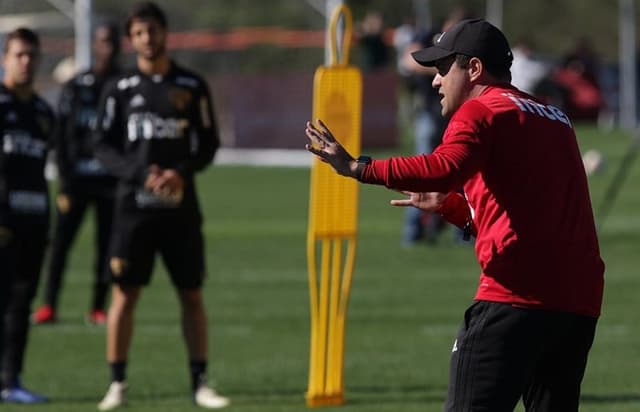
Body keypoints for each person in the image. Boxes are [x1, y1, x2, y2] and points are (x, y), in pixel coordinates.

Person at [305, 19, 604, 411]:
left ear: (475, 69)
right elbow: (530, 214)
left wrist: (359, 168)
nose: (435, 81)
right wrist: (450, 207)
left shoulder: (481, 110)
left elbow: (446, 167)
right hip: (576, 306)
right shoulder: (552, 115)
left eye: (444, 69)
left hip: (515, 298)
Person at [93, 2, 229, 410]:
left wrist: (180, 173)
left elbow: (208, 144)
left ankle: (200, 381)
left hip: (180, 209)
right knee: (124, 295)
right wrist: (138, 173)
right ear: (130, 39)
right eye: (139, 33)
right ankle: (117, 384)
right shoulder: (118, 89)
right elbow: (101, 146)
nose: (147, 39)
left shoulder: (191, 85)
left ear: (165, 33)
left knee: (191, 294)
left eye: (152, 30)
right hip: (132, 210)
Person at [32, 22, 121, 326]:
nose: (107, 47)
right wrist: (66, 182)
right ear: (94, 46)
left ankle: (97, 307)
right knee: (60, 244)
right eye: (102, 42)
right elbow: (63, 136)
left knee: (106, 247)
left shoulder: (124, 85)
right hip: (78, 182)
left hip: (110, 183)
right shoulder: (77, 85)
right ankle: (49, 304)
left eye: (112, 42)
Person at [0, 27, 55, 403]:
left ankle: (11, 380)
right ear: (5, 58)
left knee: (22, 302)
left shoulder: (42, 112)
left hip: (34, 219)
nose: (26, 62)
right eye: (19, 54)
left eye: (32, 55)